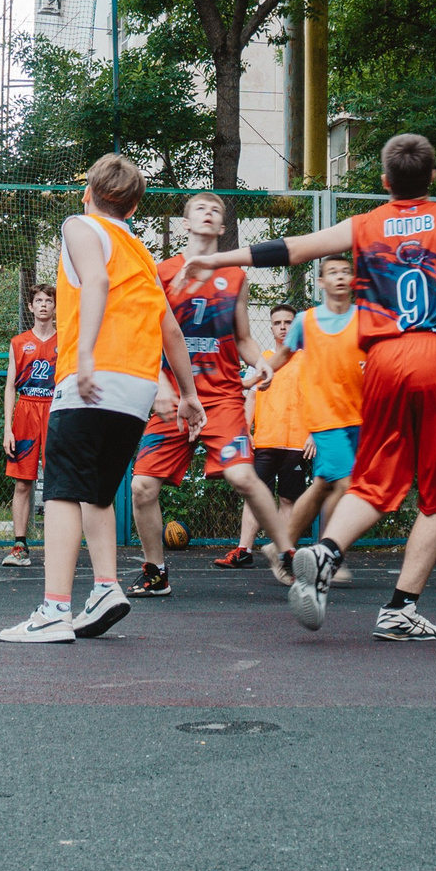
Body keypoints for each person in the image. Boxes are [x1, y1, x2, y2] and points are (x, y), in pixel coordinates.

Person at [181, 133, 436, 641]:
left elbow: (290, 250)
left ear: (385, 182)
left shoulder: (366, 224)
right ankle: (399, 608)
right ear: (433, 178)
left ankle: (326, 551)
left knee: (374, 479)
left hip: (386, 360)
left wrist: (217, 260)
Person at [0, 153, 200, 644]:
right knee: (98, 492)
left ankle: (53, 610)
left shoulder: (81, 226)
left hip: (92, 377)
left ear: (88, 192)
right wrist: (189, 393)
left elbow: (96, 281)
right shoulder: (140, 250)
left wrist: (84, 354)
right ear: (133, 209)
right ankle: (106, 587)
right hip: (136, 388)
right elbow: (169, 325)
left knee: (63, 492)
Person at [128, 192, 296, 595]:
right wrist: (164, 387)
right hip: (174, 398)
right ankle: (156, 573)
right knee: (141, 487)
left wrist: (262, 362)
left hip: (221, 396)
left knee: (242, 476)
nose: (207, 213)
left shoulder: (236, 276)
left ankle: (287, 555)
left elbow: (242, 338)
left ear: (223, 227)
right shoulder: (161, 273)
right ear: (185, 223)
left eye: (215, 210)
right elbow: (148, 338)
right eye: (199, 208)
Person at [262, 254, 365, 551]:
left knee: (323, 485)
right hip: (325, 416)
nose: (341, 276)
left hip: (357, 414)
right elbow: (281, 356)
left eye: (346, 271)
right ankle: (329, 553)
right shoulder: (307, 321)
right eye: (333, 272)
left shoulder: (365, 318)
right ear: (321, 282)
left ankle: (280, 546)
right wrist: (257, 376)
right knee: (348, 487)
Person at [218, 307, 306, 567]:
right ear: (270, 328)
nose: (282, 327)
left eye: (288, 322)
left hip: (297, 442)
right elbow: (251, 397)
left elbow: (318, 399)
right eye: (277, 322)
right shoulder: (263, 360)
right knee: (255, 496)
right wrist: (245, 430)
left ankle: (284, 555)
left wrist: (313, 433)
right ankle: (243, 551)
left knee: (289, 499)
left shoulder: (309, 360)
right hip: (265, 440)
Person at [0, 284, 58, 567]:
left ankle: (59, 547)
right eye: (39, 300)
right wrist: (7, 428)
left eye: (49, 300)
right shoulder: (19, 342)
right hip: (26, 410)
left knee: (59, 483)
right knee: (23, 482)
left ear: (55, 307)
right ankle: (20, 546)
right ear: (31, 307)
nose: (44, 304)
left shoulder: (66, 340)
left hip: (55, 411)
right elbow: (10, 387)